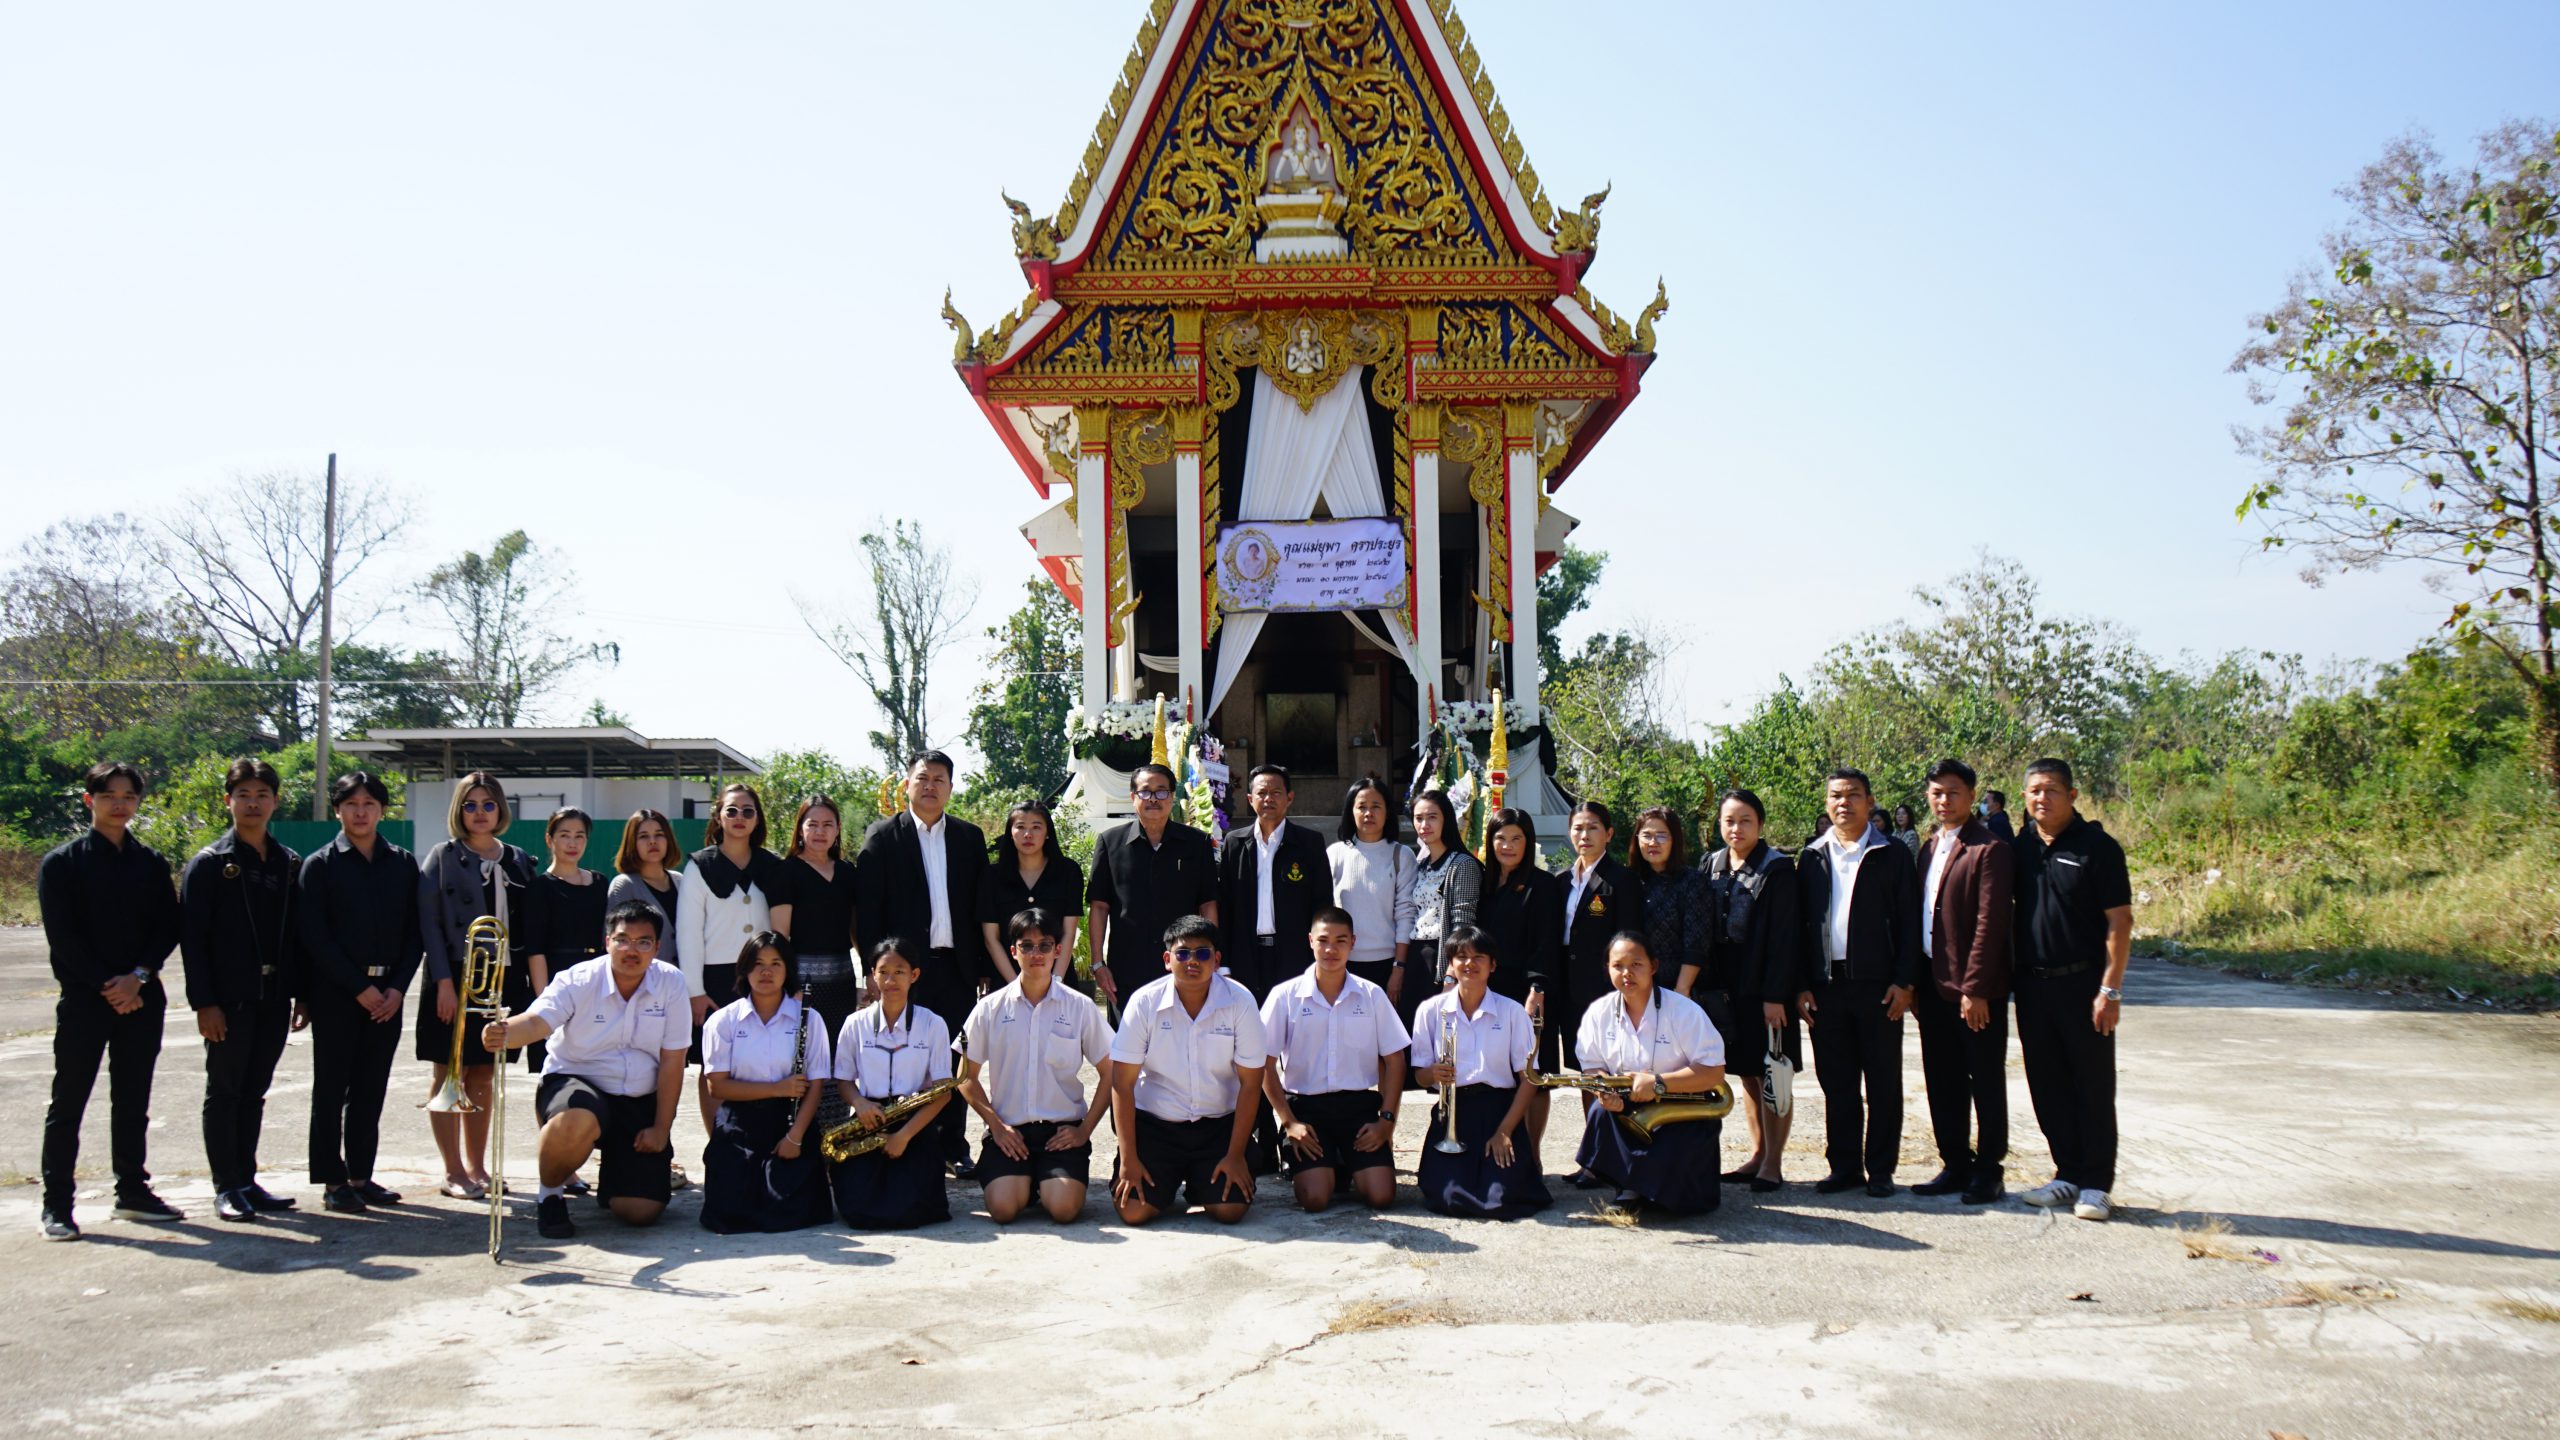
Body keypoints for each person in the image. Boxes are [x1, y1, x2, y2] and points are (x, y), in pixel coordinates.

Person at [479, 900, 691, 1239]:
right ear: (607, 942)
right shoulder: (577, 979)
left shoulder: (672, 983)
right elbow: (537, 1022)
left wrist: (661, 1128)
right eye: (622, 939)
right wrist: (505, 1032)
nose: (631, 950)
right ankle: (550, 1193)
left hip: (638, 1097)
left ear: (657, 947)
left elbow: (672, 1061)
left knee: (640, 1212)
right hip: (577, 1085)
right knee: (574, 1122)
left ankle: (614, 1178)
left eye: (643, 942)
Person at [38, 762, 184, 1239]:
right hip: (85, 1000)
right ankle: (57, 1204)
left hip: (141, 998)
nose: (119, 804)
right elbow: (64, 938)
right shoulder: (63, 864)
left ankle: (133, 1192)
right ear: (90, 801)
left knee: (132, 1099)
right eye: (109, 795)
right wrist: (111, 986)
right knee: (69, 1102)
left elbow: (167, 927)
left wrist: (138, 978)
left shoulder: (150, 863)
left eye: (128, 796)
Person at [180, 757, 305, 1223]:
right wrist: (204, 1003)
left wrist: (302, 994)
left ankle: (248, 1180)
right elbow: (192, 940)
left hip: (273, 997)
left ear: (275, 801)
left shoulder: (288, 863)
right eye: (244, 795)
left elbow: (296, 935)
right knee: (225, 1090)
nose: (253, 804)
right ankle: (226, 1185)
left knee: (254, 1091)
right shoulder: (210, 864)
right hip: (228, 999)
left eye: (262, 795)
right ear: (228, 800)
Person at [853, 751, 988, 1173]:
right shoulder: (881, 837)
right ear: (907, 785)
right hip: (903, 973)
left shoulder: (968, 838)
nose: (930, 786)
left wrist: (982, 966)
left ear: (950, 787)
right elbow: (868, 912)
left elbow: (980, 906)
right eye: (922, 778)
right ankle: (910, 1140)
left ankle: (954, 1145)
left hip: (957, 968)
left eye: (940, 779)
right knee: (906, 1057)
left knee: (953, 1060)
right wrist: (874, 973)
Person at [2011, 758, 2133, 1223]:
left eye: (2052, 790)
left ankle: (2097, 1184)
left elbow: (2119, 922)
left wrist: (2111, 989)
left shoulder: (2097, 848)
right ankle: (2067, 1172)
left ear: (2073, 795)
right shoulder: (2021, 847)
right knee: (2047, 1084)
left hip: (2085, 986)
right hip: (2032, 986)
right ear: (2024, 798)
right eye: (2034, 791)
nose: (2042, 798)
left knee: (2093, 1086)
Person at [297, 771, 421, 1214]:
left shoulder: (403, 863)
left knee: (371, 1088)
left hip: (388, 995)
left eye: (369, 803)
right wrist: (360, 988)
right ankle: (333, 1180)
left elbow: (415, 933)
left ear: (383, 810)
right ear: (338, 810)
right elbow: (315, 938)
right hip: (338, 995)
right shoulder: (320, 865)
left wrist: (396, 989)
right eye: (352, 804)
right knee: (331, 1089)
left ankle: (361, 1175)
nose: (361, 811)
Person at [1795, 768, 1922, 1198]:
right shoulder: (1811, 856)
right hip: (1827, 986)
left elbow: (1910, 922)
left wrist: (1905, 981)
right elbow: (1800, 926)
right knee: (1838, 1081)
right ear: (1826, 802)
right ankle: (1844, 1166)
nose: (1844, 803)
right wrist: (1801, 983)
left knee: (1883, 1080)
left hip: (1879, 986)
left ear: (1869, 801)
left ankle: (1881, 1170)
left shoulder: (1892, 853)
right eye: (1836, 796)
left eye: (1853, 795)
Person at [417, 770, 543, 1200]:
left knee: (484, 1075)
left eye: (488, 804)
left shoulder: (520, 859)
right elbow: (429, 925)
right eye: (470, 805)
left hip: (502, 979)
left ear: (500, 809)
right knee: (448, 1073)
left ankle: (477, 1166)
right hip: (453, 975)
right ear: (459, 810)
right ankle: (452, 1170)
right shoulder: (443, 855)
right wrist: (445, 984)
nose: (480, 813)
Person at [954, 907, 1115, 1224]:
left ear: (1058, 950)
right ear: (1013, 952)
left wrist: (1084, 1130)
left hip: (1060, 1133)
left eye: (1044, 945)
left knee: (1065, 1209)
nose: (1035, 953)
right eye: (1026, 945)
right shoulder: (989, 1008)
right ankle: (1027, 1182)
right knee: (1002, 1210)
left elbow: (1112, 1071)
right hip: (1009, 1132)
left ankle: (1042, 1182)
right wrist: (997, 1127)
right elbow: (964, 1077)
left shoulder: (1079, 1007)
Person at [1108, 915, 1267, 1226]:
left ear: (1217, 960)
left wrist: (1235, 1156)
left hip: (1218, 1127)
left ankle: (1201, 1185)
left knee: (1229, 1211)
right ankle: (1176, 1183)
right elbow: (1122, 1083)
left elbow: (1251, 1084)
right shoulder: (1144, 1003)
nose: (1192, 961)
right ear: (1168, 960)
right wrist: (1128, 1160)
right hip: (1156, 1128)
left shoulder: (1241, 1001)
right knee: (1133, 1212)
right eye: (1182, 953)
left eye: (1203, 953)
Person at [1911, 759, 2014, 1206]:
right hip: (1933, 987)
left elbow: (1991, 923)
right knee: (1942, 1078)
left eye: (1952, 792)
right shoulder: (1929, 847)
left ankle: (1989, 1170)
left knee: (1985, 1079)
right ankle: (1954, 1162)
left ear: (1971, 796)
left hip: (1973, 992)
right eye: (1936, 793)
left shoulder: (1989, 848)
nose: (1943, 800)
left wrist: (1976, 988)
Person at [1259, 907, 1408, 1211]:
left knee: (1381, 1196)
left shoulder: (1371, 995)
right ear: (1310, 940)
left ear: (1353, 942)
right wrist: (1289, 1122)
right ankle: (1333, 1164)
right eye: (1323, 940)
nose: (1331, 949)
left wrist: (1386, 1122)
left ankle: (1343, 1162)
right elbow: (1263, 1063)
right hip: (1307, 1111)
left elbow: (1395, 1060)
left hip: (1358, 1108)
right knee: (1315, 1199)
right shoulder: (1284, 995)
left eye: (1341, 941)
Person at [1570, 931, 1728, 1215]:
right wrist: (1603, 1091)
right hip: (1628, 1104)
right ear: (1607, 969)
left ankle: (1650, 1191)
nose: (1626, 973)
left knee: (1681, 1203)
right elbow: (1592, 1067)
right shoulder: (1598, 1012)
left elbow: (1714, 1072)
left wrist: (1658, 1083)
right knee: (1599, 1114)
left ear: (1653, 966)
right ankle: (1631, 1187)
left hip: (1683, 1105)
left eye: (1636, 964)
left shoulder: (1684, 1011)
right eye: (1617, 965)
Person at [1697, 788, 1805, 1194]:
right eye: (1729, 821)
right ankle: (1758, 1153)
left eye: (1745, 820)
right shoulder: (1712, 864)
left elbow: (1784, 936)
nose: (1736, 828)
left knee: (1775, 1072)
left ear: (1760, 824)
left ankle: (1774, 1162)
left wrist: (1776, 995)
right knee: (1746, 1073)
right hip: (1727, 989)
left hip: (1765, 988)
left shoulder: (1777, 869)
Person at [1409, 925, 1549, 1218]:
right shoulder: (1430, 1010)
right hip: (1453, 1112)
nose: (1469, 964)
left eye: (1478, 957)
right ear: (1451, 963)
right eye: (1461, 957)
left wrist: (1505, 1131)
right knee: (1448, 1198)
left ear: (1493, 964)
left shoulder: (1512, 1012)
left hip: (1500, 1110)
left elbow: (1529, 1080)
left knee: (1503, 1198)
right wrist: (1434, 1074)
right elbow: (1418, 1075)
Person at [698, 934, 833, 1234]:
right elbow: (717, 1088)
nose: (766, 972)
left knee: (790, 1209)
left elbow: (815, 1086)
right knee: (728, 1214)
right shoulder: (723, 1021)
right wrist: (777, 1088)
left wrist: (796, 1137)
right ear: (745, 969)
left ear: (788, 971)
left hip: (790, 1122)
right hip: (740, 1123)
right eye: (757, 964)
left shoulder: (809, 1019)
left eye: (776, 963)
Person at [678, 782, 786, 1157]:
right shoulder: (699, 866)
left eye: (748, 811)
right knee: (715, 1067)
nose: (740, 818)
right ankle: (720, 1149)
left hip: (765, 977)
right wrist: (694, 989)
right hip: (715, 980)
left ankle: (760, 1143)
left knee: (761, 1062)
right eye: (732, 811)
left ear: (758, 819)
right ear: (719, 816)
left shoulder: (772, 865)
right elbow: (689, 932)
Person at [828, 939, 956, 1229]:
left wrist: (904, 1136)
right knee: (857, 1209)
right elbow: (844, 1081)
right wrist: (859, 1103)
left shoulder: (933, 1024)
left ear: (915, 975)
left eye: (899, 971)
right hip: (868, 1119)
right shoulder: (854, 1024)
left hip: (914, 1122)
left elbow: (943, 1093)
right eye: (883, 971)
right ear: (872, 974)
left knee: (910, 1207)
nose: (890, 980)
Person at [1086, 763, 1218, 1015]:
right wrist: (1097, 964)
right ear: (1133, 797)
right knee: (1127, 1049)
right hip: (1127, 967)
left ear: (1172, 796)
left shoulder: (1196, 843)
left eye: (1161, 792)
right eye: (1146, 792)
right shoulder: (1110, 842)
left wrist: (1208, 955)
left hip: (1184, 964)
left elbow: (1208, 903)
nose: (1153, 799)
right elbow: (1099, 906)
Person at [1475, 808, 1561, 1147]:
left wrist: (1537, 987)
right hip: (1487, 990)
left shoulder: (1542, 884)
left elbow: (1547, 940)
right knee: (1495, 1070)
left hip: (1528, 991)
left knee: (1533, 1072)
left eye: (1516, 838)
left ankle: (1533, 1152)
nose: (1507, 846)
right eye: (1500, 838)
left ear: (1528, 842)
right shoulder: (1482, 882)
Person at [1215, 763, 1332, 1001]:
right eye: (1261, 793)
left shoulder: (1309, 843)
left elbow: (1322, 905)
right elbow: (1225, 906)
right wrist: (1224, 961)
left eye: (1276, 792)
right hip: (1245, 954)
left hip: (1294, 954)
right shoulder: (1235, 843)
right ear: (1250, 798)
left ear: (1289, 798)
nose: (1268, 798)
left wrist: (1318, 958)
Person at [1559, 801, 1645, 1068]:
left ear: (1608, 834)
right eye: (1578, 828)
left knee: (1611, 1065)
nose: (1585, 836)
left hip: (1604, 987)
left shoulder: (1621, 880)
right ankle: (1592, 1113)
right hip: (1568, 986)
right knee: (1584, 1065)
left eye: (1593, 828)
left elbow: (1630, 937)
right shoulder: (1562, 880)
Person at [978, 799, 1085, 996]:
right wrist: (1015, 985)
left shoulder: (1068, 872)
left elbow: (1069, 932)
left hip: (1058, 980)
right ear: (1010, 833)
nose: (1028, 834)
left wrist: (1056, 983)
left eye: (1036, 827)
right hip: (1006, 981)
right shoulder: (992, 876)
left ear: (1047, 834)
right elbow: (991, 938)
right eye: (1020, 827)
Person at [529, 809, 607, 1077]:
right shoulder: (539, 887)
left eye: (579, 836)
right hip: (558, 978)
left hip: (596, 979)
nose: (572, 843)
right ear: (549, 840)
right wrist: (544, 1003)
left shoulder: (599, 882)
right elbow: (535, 950)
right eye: (564, 835)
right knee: (556, 1070)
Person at [776, 794, 861, 1038]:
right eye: (812, 825)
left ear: (838, 829)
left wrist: (868, 972)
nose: (819, 832)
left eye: (827, 825)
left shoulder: (847, 872)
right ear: (800, 829)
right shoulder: (786, 872)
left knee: (839, 1053)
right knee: (806, 1055)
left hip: (843, 978)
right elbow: (779, 935)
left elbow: (855, 929)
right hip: (802, 982)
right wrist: (788, 983)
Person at [1400, 788, 1481, 1038]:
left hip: (1441, 956)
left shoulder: (1462, 864)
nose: (1424, 825)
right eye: (1419, 818)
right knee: (1413, 1035)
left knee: (1441, 1036)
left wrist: (1451, 973)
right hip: (1416, 955)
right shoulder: (1420, 865)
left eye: (1432, 817)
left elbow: (1463, 922)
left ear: (1446, 818)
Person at [1327, 777, 1415, 996]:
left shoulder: (1401, 855)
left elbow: (1406, 914)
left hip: (1387, 963)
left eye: (1376, 806)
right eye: (1362, 807)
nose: (1369, 813)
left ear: (1387, 812)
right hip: (1342, 962)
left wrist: (1399, 967)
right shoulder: (1335, 854)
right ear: (1351, 812)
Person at [1631, 804, 1711, 1034]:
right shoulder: (1631, 881)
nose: (1653, 842)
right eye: (1646, 835)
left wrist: (1680, 993)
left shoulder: (1692, 882)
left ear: (1675, 839)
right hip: (1636, 988)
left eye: (1661, 835)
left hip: (1677, 989)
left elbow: (1696, 943)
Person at [604, 808, 683, 974]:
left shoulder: (681, 881)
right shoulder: (625, 885)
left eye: (659, 834)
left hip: (684, 983)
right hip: (644, 980)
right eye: (644, 836)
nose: (652, 841)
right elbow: (617, 942)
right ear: (632, 842)